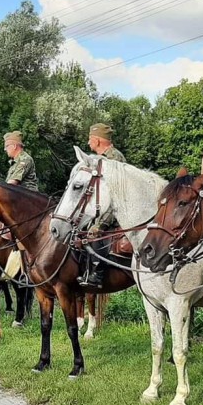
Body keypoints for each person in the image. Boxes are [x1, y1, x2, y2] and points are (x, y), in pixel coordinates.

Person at [82, 123, 125, 288]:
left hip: (114, 208)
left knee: (97, 232)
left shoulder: (114, 158)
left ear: (98, 141)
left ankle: (98, 275)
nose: (88, 143)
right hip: (101, 207)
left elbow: (115, 195)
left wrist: (100, 224)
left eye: (90, 139)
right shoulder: (99, 159)